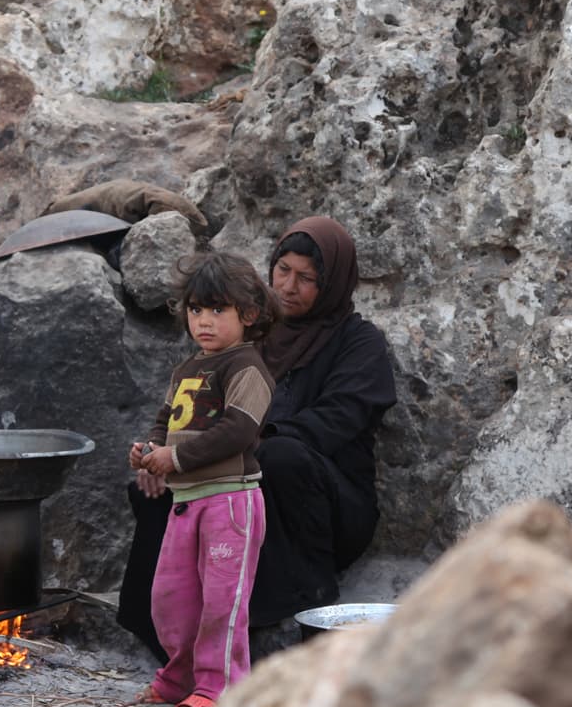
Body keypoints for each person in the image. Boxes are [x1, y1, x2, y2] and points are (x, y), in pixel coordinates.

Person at [117, 216, 397, 657]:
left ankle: (292, 604)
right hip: (235, 480)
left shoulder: (358, 343)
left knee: (282, 457)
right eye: (282, 269)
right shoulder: (250, 336)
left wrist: (241, 446)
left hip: (324, 502)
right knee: (162, 486)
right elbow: (194, 411)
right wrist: (163, 456)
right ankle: (165, 633)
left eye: (306, 278)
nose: (288, 286)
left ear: (333, 283)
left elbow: (337, 419)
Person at [127, 252, 276, 707]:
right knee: (172, 598)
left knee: (222, 602)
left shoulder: (246, 368)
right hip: (186, 503)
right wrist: (149, 453)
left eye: (217, 310)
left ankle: (219, 687)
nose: (204, 322)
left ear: (248, 315)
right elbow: (164, 422)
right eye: (196, 310)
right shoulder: (187, 370)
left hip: (231, 502)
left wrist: (176, 457)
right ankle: (179, 676)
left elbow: (239, 431)